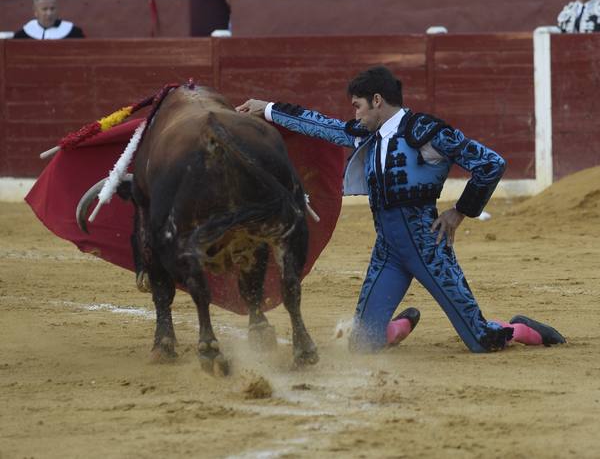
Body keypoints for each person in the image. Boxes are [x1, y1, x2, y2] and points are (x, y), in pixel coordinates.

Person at [236, 65, 566, 352]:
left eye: (357, 106)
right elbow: (321, 125)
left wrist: (460, 211)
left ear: (377, 100)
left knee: (481, 340)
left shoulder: (425, 131)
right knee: (363, 344)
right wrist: (268, 109)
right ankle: (399, 325)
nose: (355, 114)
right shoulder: (366, 134)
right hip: (388, 248)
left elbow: (491, 163)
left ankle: (523, 329)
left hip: (428, 245)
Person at [13, 0, 84, 40]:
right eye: (44, 9)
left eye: (52, 9)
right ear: (35, 12)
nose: (49, 13)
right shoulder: (22, 35)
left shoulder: (74, 33)